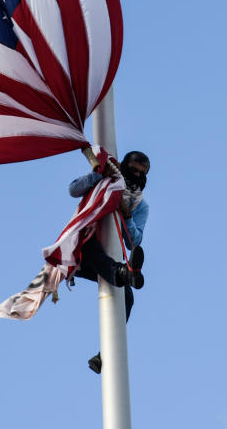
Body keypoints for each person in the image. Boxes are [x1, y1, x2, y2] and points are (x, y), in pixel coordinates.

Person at [69, 150, 150, 374]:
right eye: (132, 169)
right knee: (91, 250)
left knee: (127, 298)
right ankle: (123, 273)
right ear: (123, 166)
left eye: (141, 173)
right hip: (83, 252)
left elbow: (134, 241)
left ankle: (104, 354)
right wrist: (97, 175)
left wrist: (127, 215)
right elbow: (73, 189)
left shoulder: (140, 206)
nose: (136, 175)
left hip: (111, 259)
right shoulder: (104, 182)